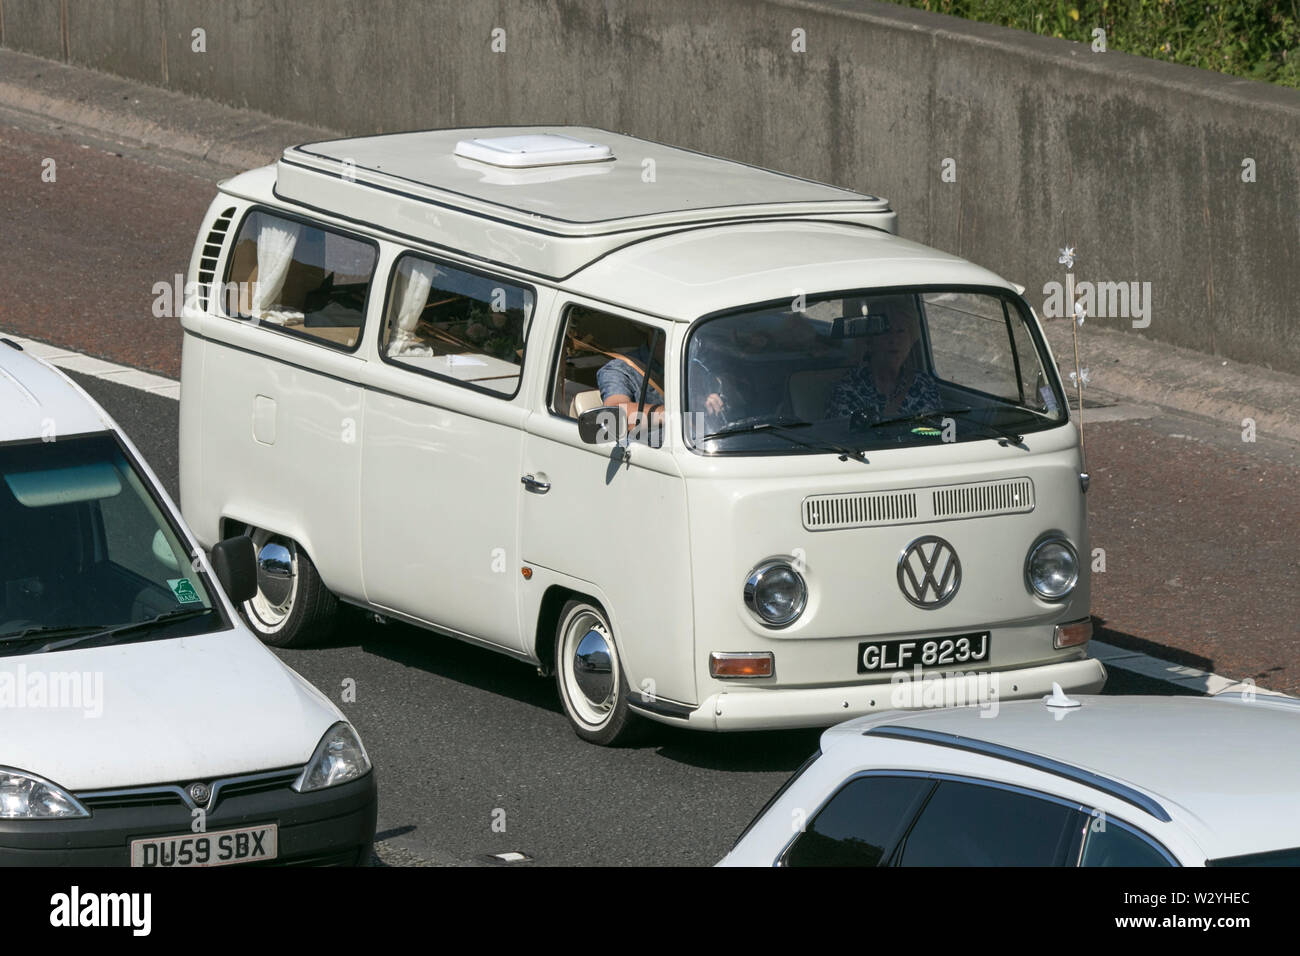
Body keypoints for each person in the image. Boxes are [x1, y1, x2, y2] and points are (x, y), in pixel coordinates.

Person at [825, 302, 941, 421]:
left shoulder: (923, 384)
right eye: (886, 331)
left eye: (900, 331)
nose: (894, 340)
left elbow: (936, 429)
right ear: (870, 341)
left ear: (911, 340)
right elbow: (846, 436)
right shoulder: (848, 389)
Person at [597, 334, 666, 432]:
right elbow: (615, 415)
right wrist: (674, 415)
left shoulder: (692, 365)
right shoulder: (621, 369)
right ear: (658, 336)